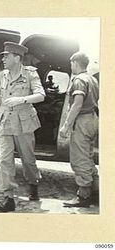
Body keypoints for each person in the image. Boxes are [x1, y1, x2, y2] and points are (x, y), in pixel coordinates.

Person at [0, 41, 45, 212]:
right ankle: (8, 198)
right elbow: (1, 95)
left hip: (24, 122)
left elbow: (40, 95)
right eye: (3, 56)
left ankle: (33, 184)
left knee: (28, 159)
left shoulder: (30, 74)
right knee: (4, 160)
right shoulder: (3, 74)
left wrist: (21, 99)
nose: (3, 59)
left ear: (17, 58)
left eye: (6, 56)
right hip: (5, 121)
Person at [60, 52, 99, 207]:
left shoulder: (79, 80)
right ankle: (96, 192)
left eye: (71, 64)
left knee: (79, 158)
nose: (71, 67)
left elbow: (77, 104)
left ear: (75, 63)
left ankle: (83, 196)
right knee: (88, 156)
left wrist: (66, 125)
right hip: (93, 118)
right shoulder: (92, 79)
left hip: (82, 120)